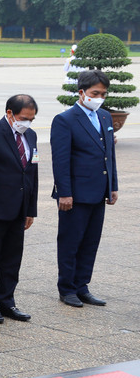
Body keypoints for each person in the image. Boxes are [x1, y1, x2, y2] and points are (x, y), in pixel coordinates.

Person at [51, 71, 117, 308]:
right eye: (95, 93)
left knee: (90, 242)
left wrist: (113, 186)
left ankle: (82, 286)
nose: (99, 97)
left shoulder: (105, 117)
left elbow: (109, 154)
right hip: (75, 194)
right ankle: (67, 288)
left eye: (103, 94)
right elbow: (60, 160)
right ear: (81, 93)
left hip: (98, 191)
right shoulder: (65, 119)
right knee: (70, 242)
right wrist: (64, 193)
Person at [0, 94, 39, 323]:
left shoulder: (30, 135)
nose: (27, 123)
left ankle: (7, 301)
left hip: (19, 210)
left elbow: (32, 173)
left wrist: (31, 209)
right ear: (10, 113)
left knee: (12, 259)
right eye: (24, 118)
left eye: (31, 119)